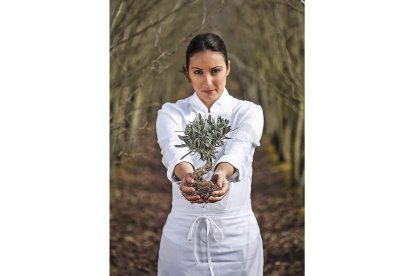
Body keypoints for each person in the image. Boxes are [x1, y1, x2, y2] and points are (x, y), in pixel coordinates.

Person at [156, 32, 264, 276]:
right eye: (198, 72)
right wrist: (187, 176)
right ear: (187, 72)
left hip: (237, 241)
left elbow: (241, 145)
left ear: (228, 68)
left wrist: (222, 171)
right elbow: (173, 148)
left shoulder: (247, 111)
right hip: (182, 240)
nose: (207, 82)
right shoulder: (172, 113)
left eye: (215, 71)